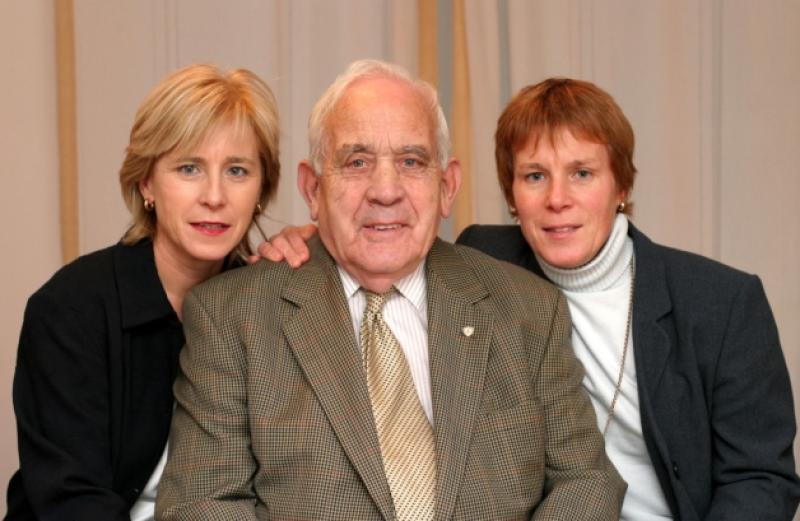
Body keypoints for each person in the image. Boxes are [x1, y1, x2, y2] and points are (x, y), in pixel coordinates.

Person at [260, 77, 800, 520]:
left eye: (582, 174)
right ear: (511, 194)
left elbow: (762, 476)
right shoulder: (483, 261)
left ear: (622, 186)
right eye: (534, 176)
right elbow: (385, 234)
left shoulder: (721, 302)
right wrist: (311, 236)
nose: (558, 200)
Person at [155, 59, 624, 520]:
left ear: (446, 187)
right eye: (357, 162)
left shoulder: (527, 308)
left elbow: (585, 480)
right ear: (312, 189)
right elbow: (200, 503)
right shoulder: (233, 316)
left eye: (411, 161)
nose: (385, 190)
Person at [5, 63, 280, 521]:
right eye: (189, 168)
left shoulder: (269, 303)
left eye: (237, 170)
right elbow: (72, 501)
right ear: (147, 182)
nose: (215, 195)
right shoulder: (70, 309)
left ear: (261, 189)